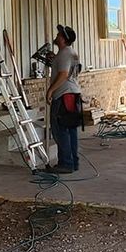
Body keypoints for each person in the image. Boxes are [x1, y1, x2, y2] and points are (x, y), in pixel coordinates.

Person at [43, 23, 84, 173]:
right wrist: (54, 60)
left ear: (63, 39)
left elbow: (64, 74)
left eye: (59, 35)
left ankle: (66, 164)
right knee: (70, 129)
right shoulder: (70, 53)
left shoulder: (65, 53)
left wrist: (50, 90)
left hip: (63, 96)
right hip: (73, 95)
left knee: (60, 130)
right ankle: (73, 162)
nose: (56, 36)